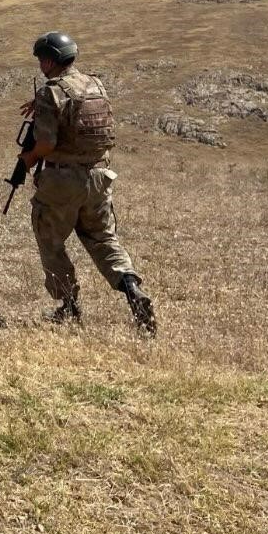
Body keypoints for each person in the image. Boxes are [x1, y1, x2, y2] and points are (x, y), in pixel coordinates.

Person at [18, 31, 157, 335]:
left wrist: (27, 159)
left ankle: (68, 305)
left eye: (42, 58)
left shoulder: (50, 92)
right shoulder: (96, 84)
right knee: (103, 238)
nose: (40, 64)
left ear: (52, 60)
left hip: (62, 180)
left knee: (50, 239)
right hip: (99, 177)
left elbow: (45, 143)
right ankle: (132, 288)